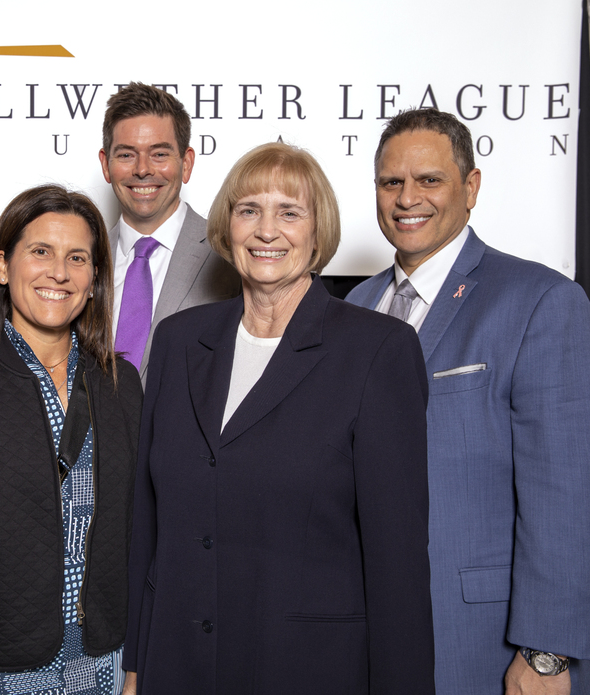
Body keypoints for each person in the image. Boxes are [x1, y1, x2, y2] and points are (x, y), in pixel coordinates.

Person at [125, 143, 435, 694]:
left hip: (306, 670)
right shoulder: (177, 341)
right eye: (249, 210)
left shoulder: (377, 351)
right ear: (227, 227)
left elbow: (398, 563)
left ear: (319, 234)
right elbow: (149, 521)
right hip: (177, 666)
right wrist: (135, 665)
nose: (267, 230)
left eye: (289, 212)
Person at [347, 108, 590, 695]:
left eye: (429, 180)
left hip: (484, 642)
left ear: (471, 187)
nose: (408, 197)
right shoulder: (355, 308)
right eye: (392, 182)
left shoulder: (542, 301)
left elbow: (572, 495)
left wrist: (547, 654)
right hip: (363, 637)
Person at [0, 184, 142, 695]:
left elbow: (145, 536)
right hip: (6, 674)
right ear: (2, 267)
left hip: (109, 664)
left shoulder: (121, 384)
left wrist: (139, 665)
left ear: (95, 278)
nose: (59, 272)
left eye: (77, 257)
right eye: (41, 252)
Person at [99, 82, 239, 382]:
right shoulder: (84, 261)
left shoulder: (231, 256)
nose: (142, 169)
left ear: (186, 163)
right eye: (126, 155)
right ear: (106, 164)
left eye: (159, 154)